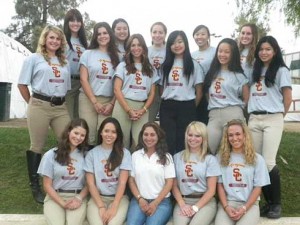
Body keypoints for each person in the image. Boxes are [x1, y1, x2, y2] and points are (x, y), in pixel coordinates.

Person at [18, 25, 71, 204]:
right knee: (37, 146)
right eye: (51, 38)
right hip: (39, 104)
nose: (54, 41)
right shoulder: (34, 58)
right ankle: (36, 187)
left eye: (58, 39)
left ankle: (61, 181)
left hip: (60, 106)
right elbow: (22, 84)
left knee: (67, 141)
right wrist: (33, 104)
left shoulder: (64, 62)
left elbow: (67, 88)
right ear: (45, 39)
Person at [247, 36, 292, 219]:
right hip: (254, 118)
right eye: (261, 49)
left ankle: (276, 204)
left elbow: (287, 97)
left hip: (272, 117)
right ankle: (266, 203)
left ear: (275, 51)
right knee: (256, 162)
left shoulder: (281, 70)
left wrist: (280, 116)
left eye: (268, 49)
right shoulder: (254, 70)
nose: (264, 52)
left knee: (269, 162)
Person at [214, 119, 270, 225]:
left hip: (250, 204)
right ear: (226, 137)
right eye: (230, 135)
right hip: (228, 203)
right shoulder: (220, 158)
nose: (234, 138)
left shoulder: (257, 159)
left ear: (245, 135)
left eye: (238, 134)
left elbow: (258, 188)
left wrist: (244, 208)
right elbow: (219, 185)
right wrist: (226, 207)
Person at [37, 118, 89, 225]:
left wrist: (78, 198)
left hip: (78, 197)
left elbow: (89, 184)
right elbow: (47, 185)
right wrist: (62, 203)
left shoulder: (87, 156)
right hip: (55, 197)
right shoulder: (51, 155)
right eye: (76, 133)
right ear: (69, 131)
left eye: (82, 135)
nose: (78, 137)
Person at [159, 30, 204, 155]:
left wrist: (190, 106)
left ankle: (182, 170)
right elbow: (161, 89)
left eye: (180, 42)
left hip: (187, 106)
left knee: (183, 141)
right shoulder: (165, 65)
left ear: (185, 43)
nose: (177, 45)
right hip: (168, 106)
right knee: (167, 140)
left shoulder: (193, 64)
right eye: (173, 43)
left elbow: (199, 91)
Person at [203, 38, 249, 155]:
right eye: (220, 51)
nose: (222, 54)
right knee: (208, 150)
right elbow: (207, 93)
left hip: (233, 114)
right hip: (214, 115)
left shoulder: (239, 75)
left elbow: (246, 97)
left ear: (233, 54)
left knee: (234, 151)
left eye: (227, 52)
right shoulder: (211, 72)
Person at [112, 33, 158, 150]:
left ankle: (135, 167)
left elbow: (152, 93)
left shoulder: (151, 69)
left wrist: (143, 110)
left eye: (139, 45)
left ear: (143, 47)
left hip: (142, 107)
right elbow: (117, 89)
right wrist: (128, 110)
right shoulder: (122, 66)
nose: (136, 48)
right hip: (123, 105)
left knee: (140, 141)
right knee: (121, 140)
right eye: (133, 45)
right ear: (129, 48)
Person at [84, 117, 132, 225]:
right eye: (106, 131)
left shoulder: (124, 153)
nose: (109, 135)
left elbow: (122, 182)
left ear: (118, 134)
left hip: (119, 198)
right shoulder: (92, 154)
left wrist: (114, 206)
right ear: (101, 132)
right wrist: (101, 206)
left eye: (113, 132)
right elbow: (91, 184)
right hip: (98, 198)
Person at [126, 122, 175, 225]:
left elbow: (169, 183)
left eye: (152, 135)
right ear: (141, 135)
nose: (149, 138)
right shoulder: (135, 155)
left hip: (161, 202)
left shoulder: (166, 156)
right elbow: (131, 180)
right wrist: (139, 198)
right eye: (146, 134)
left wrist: (155, 202)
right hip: (139, 200)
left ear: (158, 136)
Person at [172, 121, 221, 225]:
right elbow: (174, 186)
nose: (193, 139)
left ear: (203, 138)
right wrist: (182, 205)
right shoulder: (177, 157)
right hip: (183, 201)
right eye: (190, 135)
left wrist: (195, 207)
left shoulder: (210, 159)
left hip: (205, 202)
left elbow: (211, 190)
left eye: (197, 136)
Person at [79, 22, 119, 145]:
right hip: (88, 99)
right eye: (99, 34)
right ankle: (86, 162)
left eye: (105, 33)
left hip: (108, 101)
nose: (102, 36)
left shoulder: (117, 56)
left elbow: (119, 84)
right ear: (95, 36)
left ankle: (102, 163)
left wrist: (112, 104)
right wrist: (94, 102)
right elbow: (83, 79)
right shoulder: (88, 54)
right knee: (87, 134)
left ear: (110, 35)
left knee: (105, 135)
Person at [63, 9, 88, 119]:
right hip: (68, 82)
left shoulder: (83, 41)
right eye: (72, 20)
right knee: (69, 117)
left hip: (83, 83)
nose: (75, 23)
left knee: (80, 117)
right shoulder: (63, 39)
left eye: (78, 21)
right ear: (67, 22)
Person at [191, 25, 216, 124]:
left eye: (203, 34)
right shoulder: (192, 55)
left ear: (208, 36)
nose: (199, 37)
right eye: (197, 34)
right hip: (196, 91)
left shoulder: (215, 52)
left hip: (210, 92)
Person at [147, 22, 167, 122]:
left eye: (161, 32)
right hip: (151, 90)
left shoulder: (170, 50)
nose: (157, 35)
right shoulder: (146, 51)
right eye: (154, 32)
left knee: (166, 122)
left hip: (167, 89)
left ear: (165, 34)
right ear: (151, 34)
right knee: (148, 121)